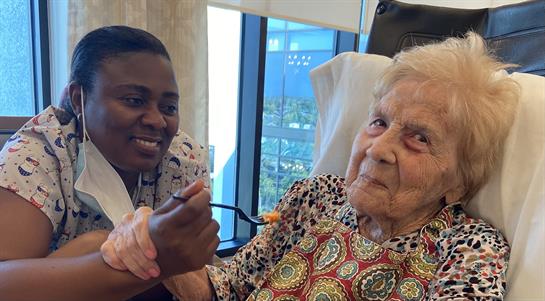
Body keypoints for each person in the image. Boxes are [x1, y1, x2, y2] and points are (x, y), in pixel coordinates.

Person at [103, 32, 521, 300]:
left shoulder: (468, 248)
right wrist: (154, 239)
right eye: (379, 122)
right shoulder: (316, 196)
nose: (379, 149)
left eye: (420, 138)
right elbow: (228, 288)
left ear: (460, 183)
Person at [0, 25, 219, 301]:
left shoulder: (183, 158)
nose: (156, 120)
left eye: (169, 107)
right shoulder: (37, 154)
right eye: (134, 100)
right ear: (80, 99)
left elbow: (202, 277)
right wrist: (129, 250)